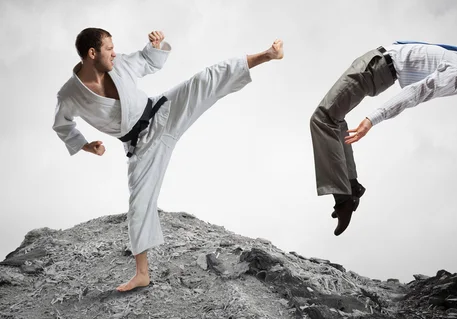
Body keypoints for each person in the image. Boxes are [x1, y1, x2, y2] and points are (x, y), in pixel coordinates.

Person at [53, 28, 284, 291]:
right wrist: (85, 145)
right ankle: (142, 274)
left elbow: (147, 60)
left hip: (162, 111)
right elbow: (63, 124)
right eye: (109, 49)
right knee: (139, 204)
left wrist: (155, 46)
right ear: (92, 53)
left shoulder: (120, 65)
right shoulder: (70, 94)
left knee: (205, 79)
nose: (114, 52)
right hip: (141, 145)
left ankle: (267, 55)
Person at [309, 41, 457, 236]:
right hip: (379, 65)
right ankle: (350, 187)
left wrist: (372, 119)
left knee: (322, 118)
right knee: (334, 119)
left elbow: (416, 93)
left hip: (377, 67)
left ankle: (343, 198)